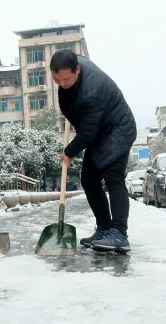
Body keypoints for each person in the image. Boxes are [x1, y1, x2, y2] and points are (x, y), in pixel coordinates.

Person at [50, 50, 137, 252]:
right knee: (89, 181)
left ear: (77, 70)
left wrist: (69, 151)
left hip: (117, 130)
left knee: (114, 179)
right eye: (57, 79)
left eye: (66, 79)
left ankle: (119, 234)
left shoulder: (90, 91)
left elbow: (89, 131)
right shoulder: (73, 68)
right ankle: (105, 228)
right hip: (100, 132)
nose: (62, 83)